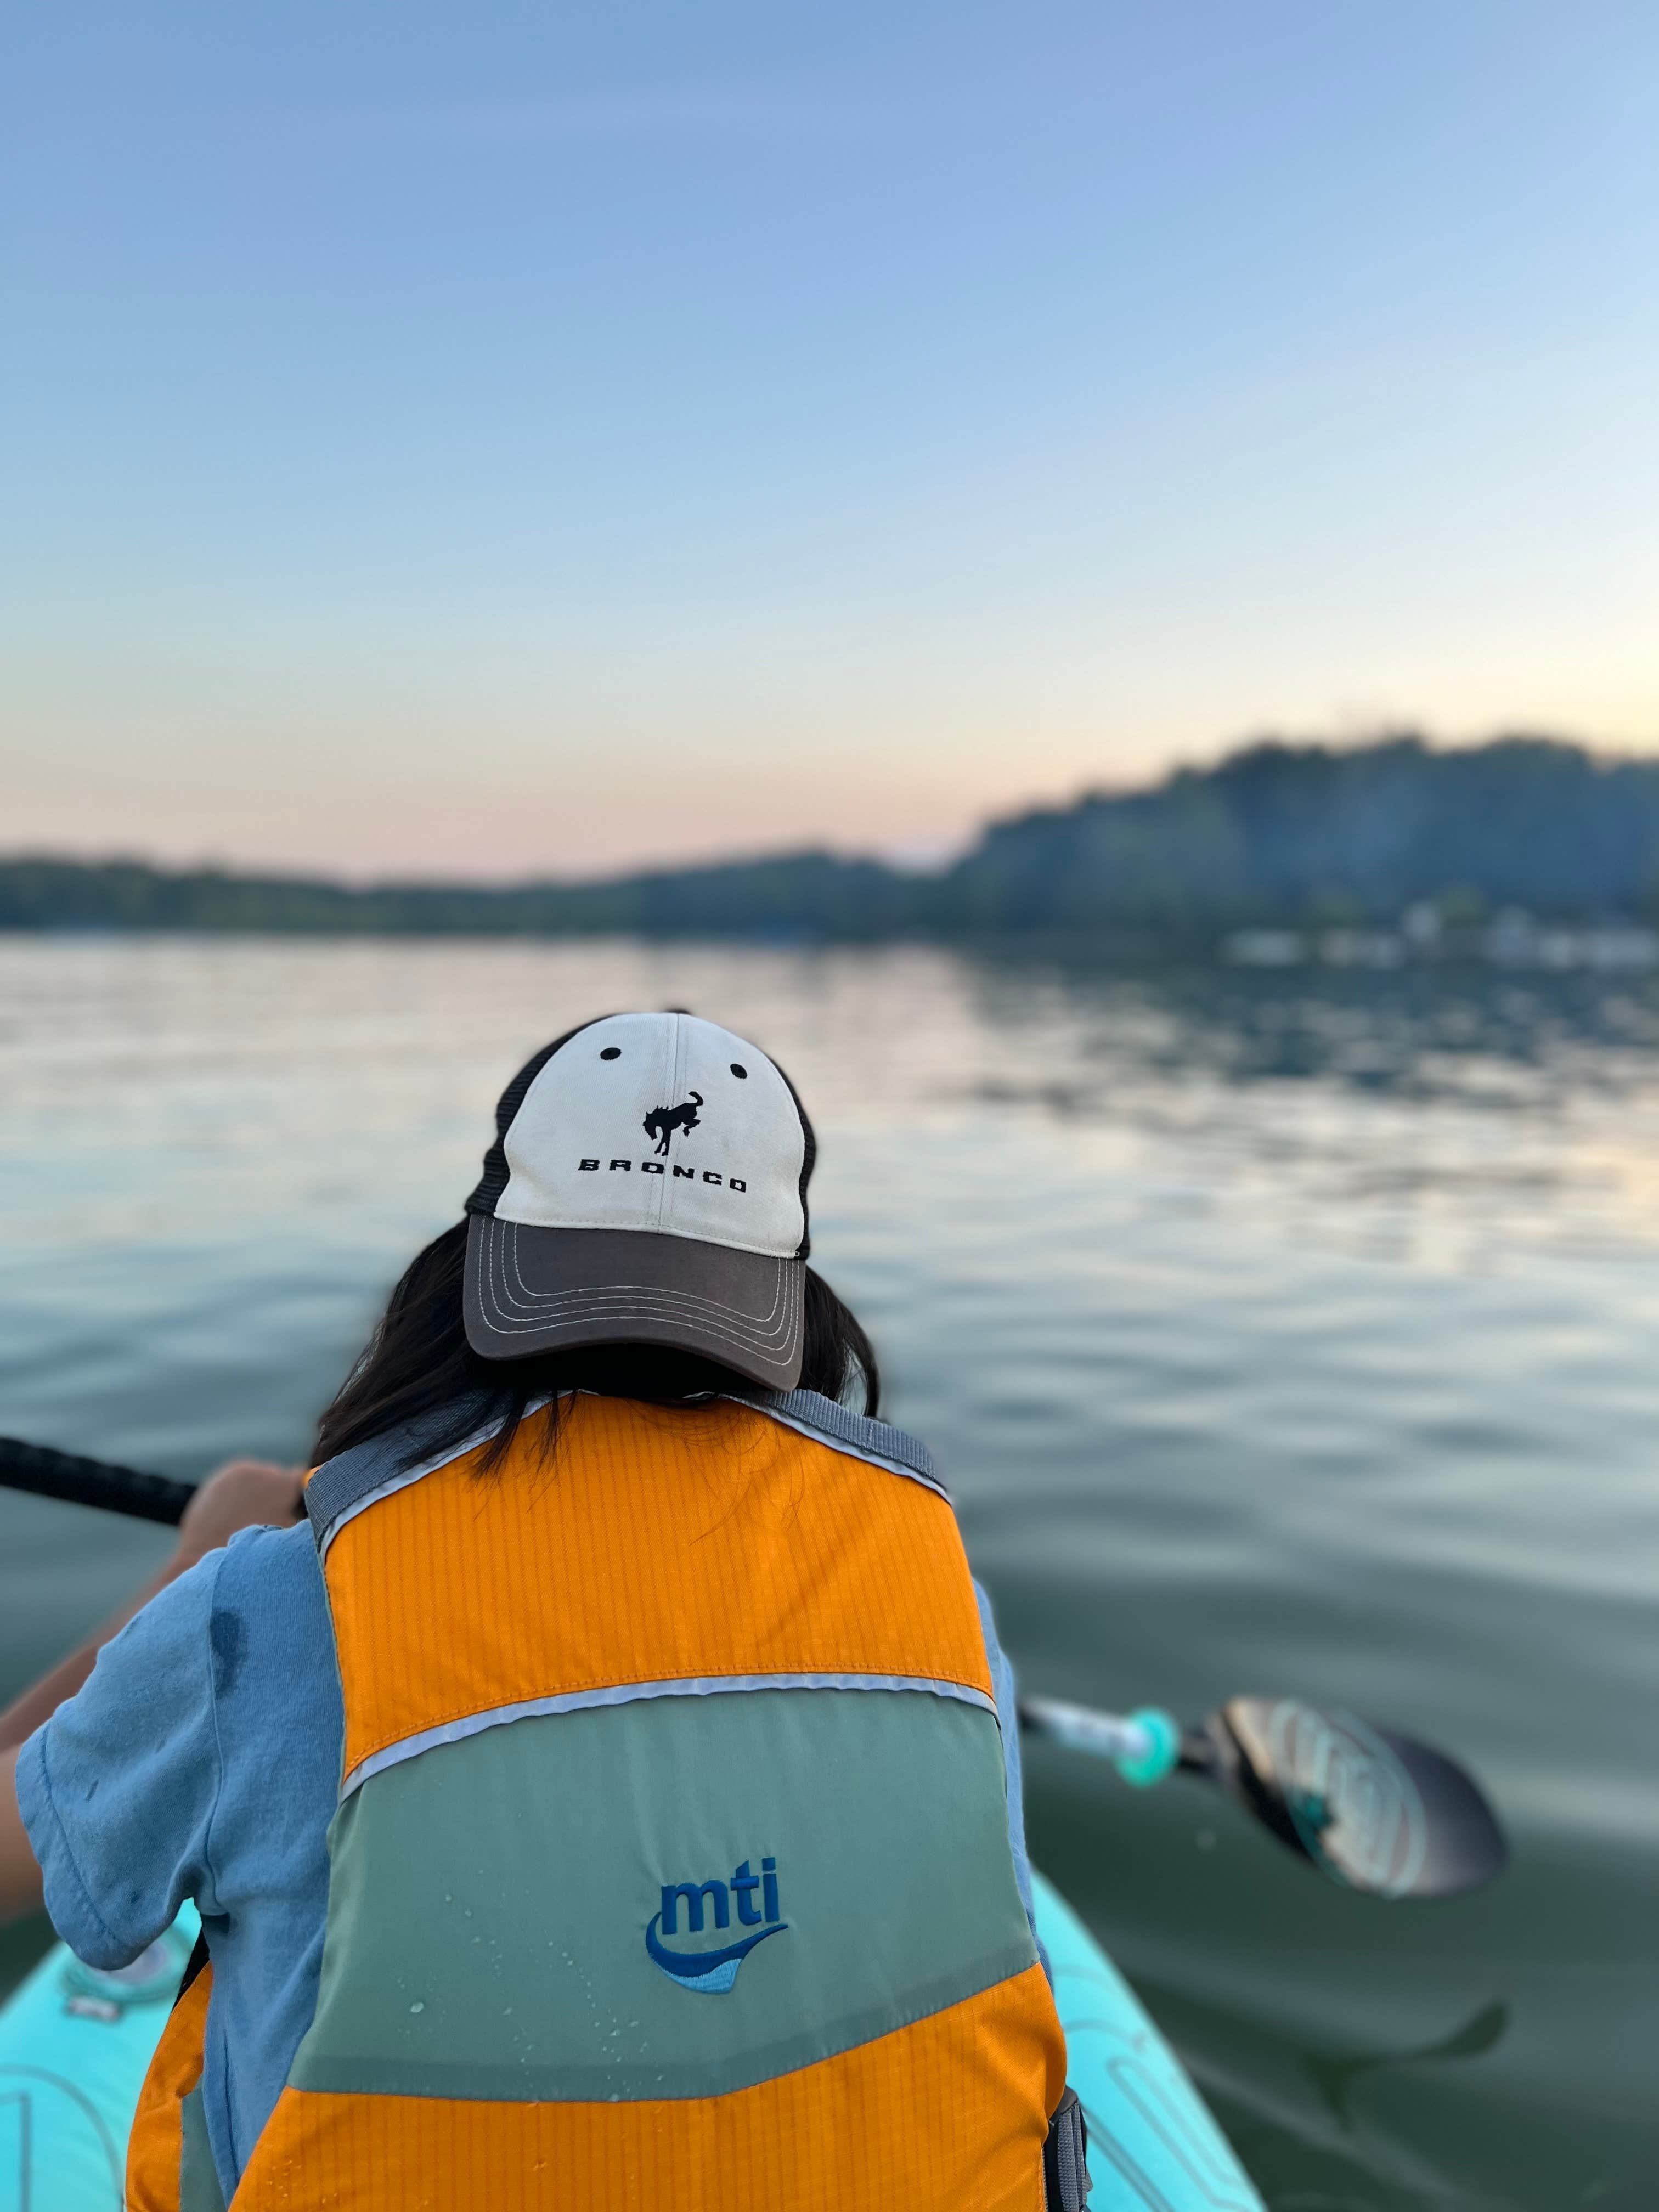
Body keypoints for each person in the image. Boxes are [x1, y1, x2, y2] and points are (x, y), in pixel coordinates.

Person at [2, 1009, 1085, 2210]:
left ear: (473, 1263)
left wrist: (195, 1570)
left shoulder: (263, 1613)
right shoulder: (947, 1605)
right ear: (793, 1300)